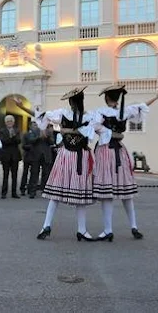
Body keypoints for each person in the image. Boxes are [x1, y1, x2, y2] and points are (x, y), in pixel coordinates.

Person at [15, 87, 96, 241]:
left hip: (69, 156)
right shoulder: (82, 116)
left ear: (72, 102)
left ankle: (50, 226)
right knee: (72, 195)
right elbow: (43, 116)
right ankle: (79, 230)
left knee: (59, 194)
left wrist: (66, 130)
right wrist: (22, 107)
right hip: (76, 156)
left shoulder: (73, 115)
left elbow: (43, 116)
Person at [92, 84, 158, 242]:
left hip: (106, 151)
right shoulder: (124, 111)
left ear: (106, 98)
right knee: (126, 192)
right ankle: (134, 226)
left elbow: (95, 126)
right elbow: (143, 106)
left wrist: (106, 132)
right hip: (120, 151)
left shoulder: (101, 111)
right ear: (117, 98)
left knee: (106, 193)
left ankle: (108, 230)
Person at [0, 115, 21, 199]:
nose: (9, 123)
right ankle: (4, 193)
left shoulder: (17, 130)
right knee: (5, 174)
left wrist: (13, 136)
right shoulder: (2, 131)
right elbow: (3, 141)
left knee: (14, 175)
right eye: (8, 121)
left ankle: (14, 193)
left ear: (13, 122)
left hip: (15, 155)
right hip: (6, 155)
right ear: (5, 123)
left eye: (11, 121)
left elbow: (18, 141)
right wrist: (11, 138)